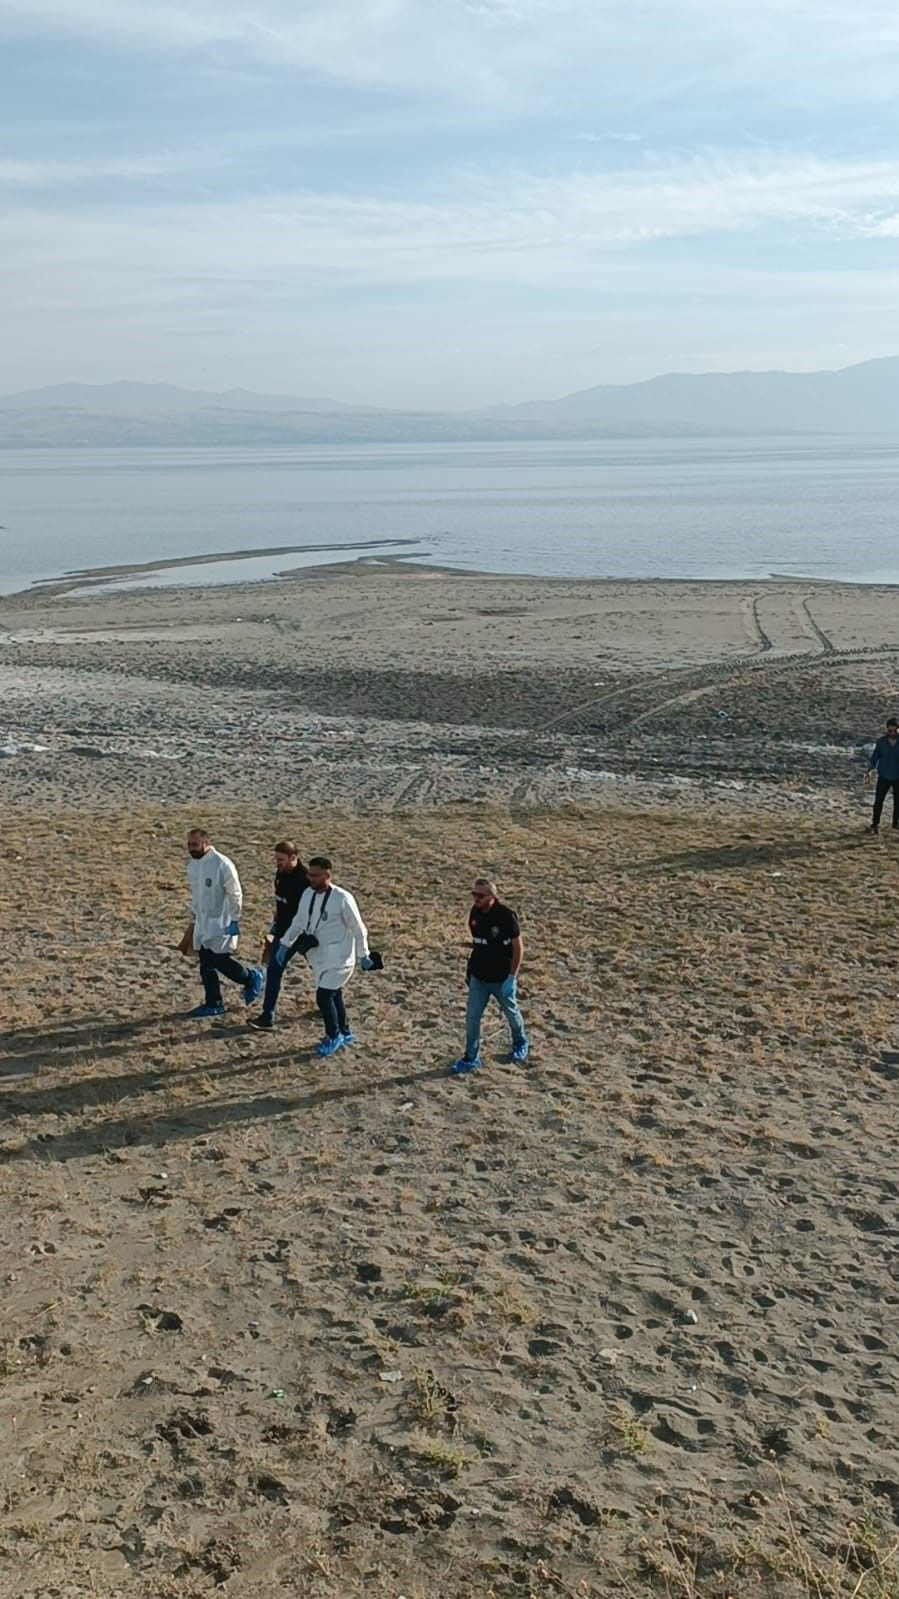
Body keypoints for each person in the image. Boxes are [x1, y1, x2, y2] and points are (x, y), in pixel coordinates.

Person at [275, 856, 374, 1057]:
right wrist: (284, 944)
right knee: (334, 993)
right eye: (309, 875)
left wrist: (364, 954)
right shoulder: (307, 894)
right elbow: (299, 921)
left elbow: (358, 928)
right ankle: (345, 1030)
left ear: (327, 875)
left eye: (315, 875)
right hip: (318, 956)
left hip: (340, 957)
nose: (310, 879)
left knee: (323, 996)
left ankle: (333, 1034)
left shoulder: (342, 898)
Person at [449, 877, 528, 1075]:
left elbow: (518, 948)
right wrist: (471, 972)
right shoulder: (475, 913)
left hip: (501, 978)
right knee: (472, 1018)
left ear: (492, 896)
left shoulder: (506, 916)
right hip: (479, 977)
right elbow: (478, 944)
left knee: (511, 1012)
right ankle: (471, 1058)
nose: (476, 898)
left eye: (480, 895)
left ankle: (520, 1041)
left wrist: (512, 977)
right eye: (473, 894)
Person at [184, 828, 264, 1019]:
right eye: (189, 844)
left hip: (222, 920)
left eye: (195, 844)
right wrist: (195, 917)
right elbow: (197, 895)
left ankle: (250, 977)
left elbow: (235, 893)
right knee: (205, 963)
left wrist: (234, 919)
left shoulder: (222, 864)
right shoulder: (193, 866)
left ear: (205, 843)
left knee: (221, 960)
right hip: (203, 921)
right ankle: (214, 1003)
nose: (191, 848)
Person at [249, 840, 310, 1031]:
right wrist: (274, 926)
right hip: (283, 932)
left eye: (281, 859)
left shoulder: (305, 880)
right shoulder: (281, 874)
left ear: (294, 858)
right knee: (274, 970)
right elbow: (280, 902)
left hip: (303, 933)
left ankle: (329, 1004)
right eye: (276, 859)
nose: (278, 863)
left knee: (321, 968)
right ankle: (267, 1016)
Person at [866, 717, 899, 833]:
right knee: (879, 800)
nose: (893, 733)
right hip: (884, 775)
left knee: (898, 802)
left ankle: (896, 823)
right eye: (890, 731)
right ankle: (875, 824)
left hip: (898, 777)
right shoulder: (881, 742)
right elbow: (875, 757)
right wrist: (869, 770)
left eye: (895, 731)